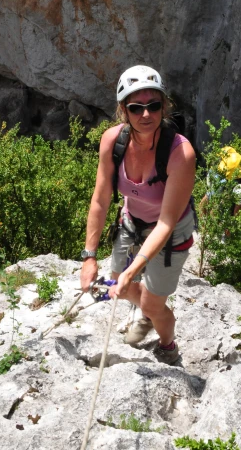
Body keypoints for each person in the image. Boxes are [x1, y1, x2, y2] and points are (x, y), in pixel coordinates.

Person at [80, 65, 196, 365]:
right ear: (123, 111)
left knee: (150, 302)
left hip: (170, 232)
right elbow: (101, 199)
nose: (146, 115)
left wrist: (135, 270)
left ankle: (167, 344)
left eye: (153, 106)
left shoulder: (180, 153)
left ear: (164, 106)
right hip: (133, 221)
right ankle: (144, 308)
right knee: (117, 280)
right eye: (136, 108)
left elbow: (167, 222)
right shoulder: (112, 141)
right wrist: (89, 256)